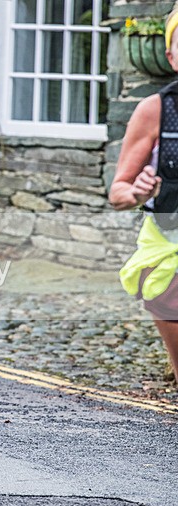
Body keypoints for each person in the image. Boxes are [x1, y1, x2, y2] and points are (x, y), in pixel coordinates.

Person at [111, 8, 178, 382]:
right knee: (166, 288)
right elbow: (118, 191)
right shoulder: (153, 111)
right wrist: (136, 192)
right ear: (171, 56)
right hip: (169, 239)